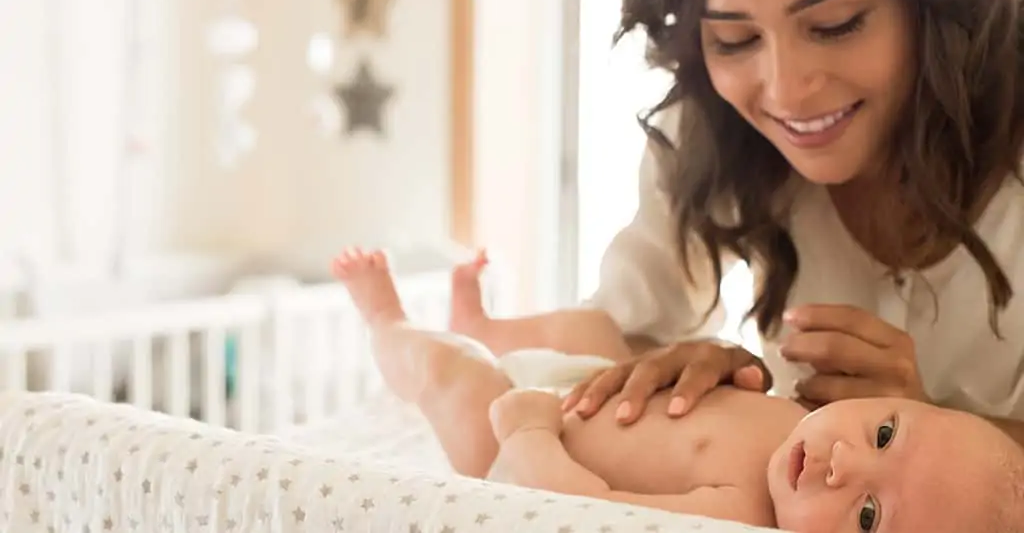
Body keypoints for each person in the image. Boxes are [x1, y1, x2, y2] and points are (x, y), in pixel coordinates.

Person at [511, 0, 1024, 443]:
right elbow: (629, 331)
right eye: (734, 38)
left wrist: (934, 435)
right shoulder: (712, 126)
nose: (787, 90)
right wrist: (723, 387)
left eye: (836, 23)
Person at [332, 248, 1024, 532]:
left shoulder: (741, 514)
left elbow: (584, 509)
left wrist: (526, 433)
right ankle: (489, 323)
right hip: (598, 388)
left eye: (869, 516)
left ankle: (388, 322)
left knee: (452, 372)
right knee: (594, 324)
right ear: (899, 397)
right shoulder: (806, 418)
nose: (846, 463)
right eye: (883, 434)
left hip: (520, 439)